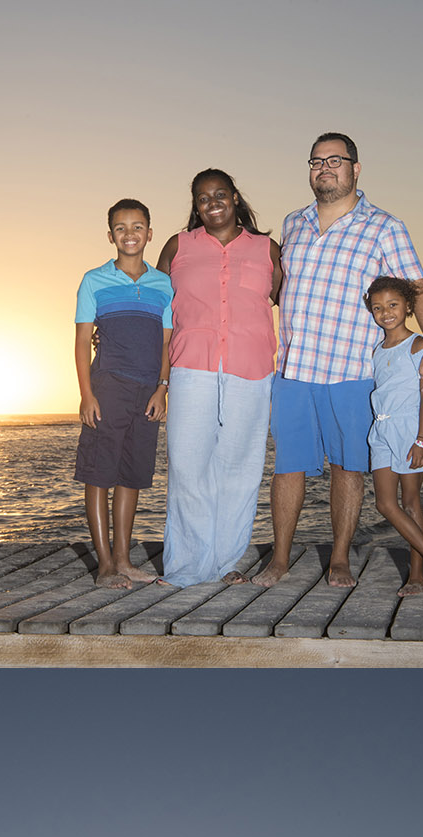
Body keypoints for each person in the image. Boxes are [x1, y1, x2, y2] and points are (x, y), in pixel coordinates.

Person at [255, 133, 423, 589]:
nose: (325, 168)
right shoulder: (293, 223)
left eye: (335, 160)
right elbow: (275, 289)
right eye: (316, 161)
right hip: (294, 368)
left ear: (355, 169)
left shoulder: (385, 227)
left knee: (348, 468)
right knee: (288, 468)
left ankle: (339, 559)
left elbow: (417, 288)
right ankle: (279, 561)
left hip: (353, 371)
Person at [154, 170, 283, 588]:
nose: (212, 202)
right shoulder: (179, 247)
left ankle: (227, 562)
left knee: (240, 468)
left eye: (220, 194)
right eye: (203, 197)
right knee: (188, 466)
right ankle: (186, 568)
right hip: (191, 367)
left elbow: (288, 300)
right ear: (195, 204)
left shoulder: (267, 249)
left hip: (252, 368)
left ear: (234, 197)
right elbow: (157, 314)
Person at [74, 199, 173, 588]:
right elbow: (83, 340)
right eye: (120, 227)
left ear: (149, 234)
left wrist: (162, 388)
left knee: (132, 475)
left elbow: (167, 342)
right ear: (110, 235)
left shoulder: (162, 284)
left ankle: (123, 560)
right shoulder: (93, 281)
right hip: (108, 387)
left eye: (137, 227)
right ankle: (104, 567)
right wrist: (87, 394)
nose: (129, 234)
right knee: (99, 474)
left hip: (147, 390)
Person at [365, 277, 423, 596]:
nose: (386, 312)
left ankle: (417, 575)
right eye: (378, 308)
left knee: (411, 500)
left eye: (393, 305)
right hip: (380, 430)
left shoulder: (418, 345)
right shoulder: (377, 349)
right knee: (385, 504)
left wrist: (421, 440)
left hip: (409, 429)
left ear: (407, 307)